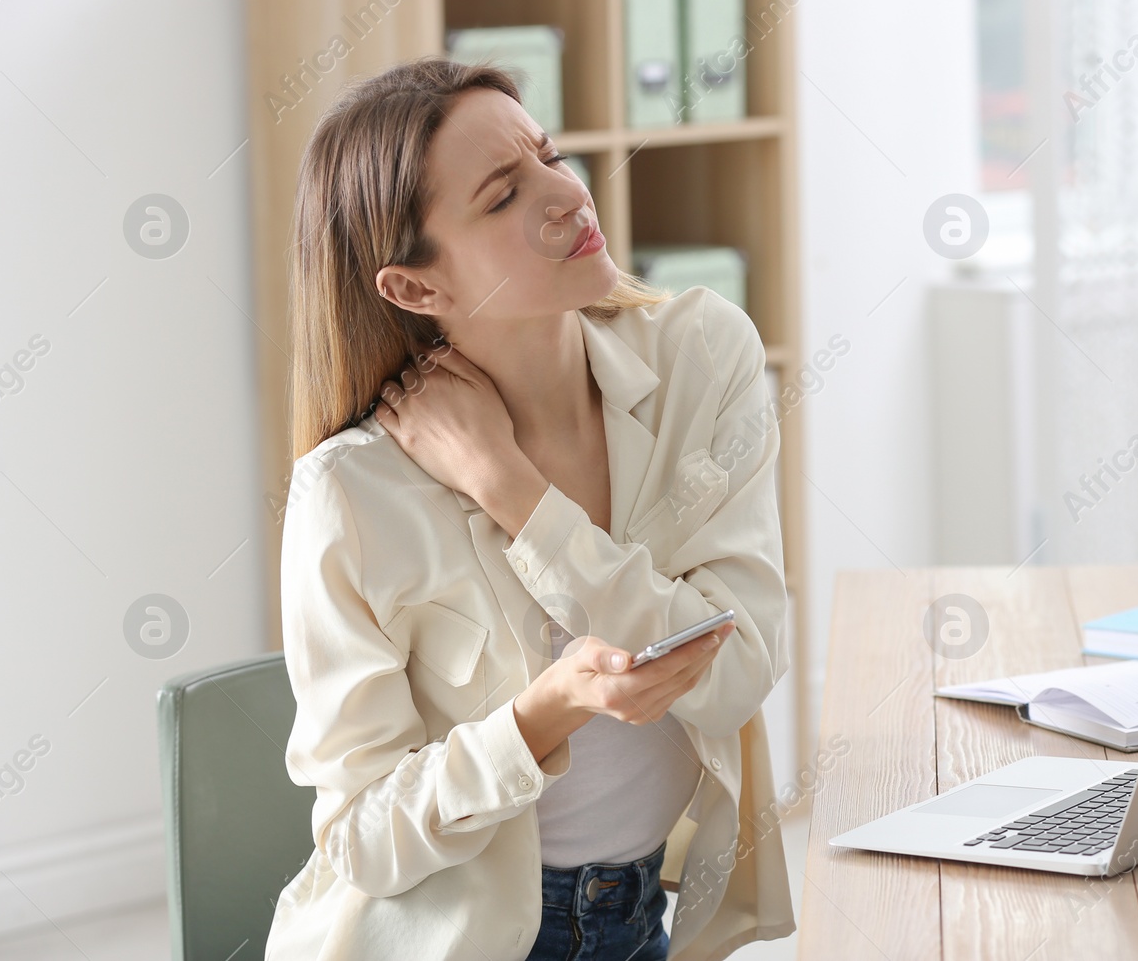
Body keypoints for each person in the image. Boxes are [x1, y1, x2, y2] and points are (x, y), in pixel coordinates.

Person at [264, 57, 794, 961]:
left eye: (548, 155)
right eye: (505, 194)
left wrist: (516, 492)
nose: (568, 195)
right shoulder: (350, 492)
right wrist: (539, 716)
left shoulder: (702, 357)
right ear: (416, 287)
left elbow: (736, 668)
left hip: (635, 916)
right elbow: (359, 836)